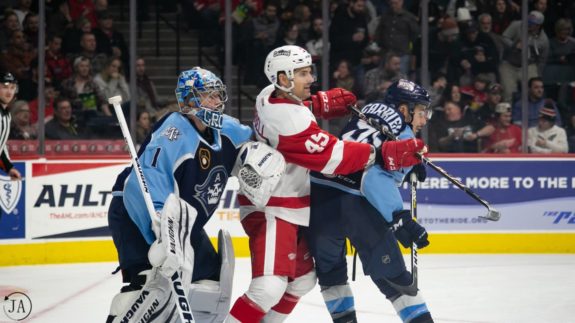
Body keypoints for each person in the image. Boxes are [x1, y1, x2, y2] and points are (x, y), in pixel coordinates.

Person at [227, 45, 427, 322]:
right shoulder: (290, 121)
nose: (311, 79)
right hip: (273, 208)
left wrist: (317, 103)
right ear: (283, 79)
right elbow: (334, 156)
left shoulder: (267, 95)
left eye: (310, 71)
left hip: (295, 204)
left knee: (303, 281)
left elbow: (293, 106)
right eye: (303, 73)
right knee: (268, 288)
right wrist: (381, 154)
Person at [106, 67, 283, 323]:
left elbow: (256, 141)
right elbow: (142, 182)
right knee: (147, 290)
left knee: (209, 283)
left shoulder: (228, 129)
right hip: (136, 213)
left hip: (181, 220)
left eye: (217, 95)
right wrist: (158, 231)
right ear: (188, 100)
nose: (215, 102)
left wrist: (263, 157)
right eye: (207, 96)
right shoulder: (173, 132)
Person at [306, 79, 434, 323]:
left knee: (331, 275)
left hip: (320, 198)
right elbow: (373, 178)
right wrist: (399, 218)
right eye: (421, 112)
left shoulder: (365, 112)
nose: (424, 119)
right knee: (395, 280)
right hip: (355, 207)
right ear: (404, 110)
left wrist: (408, 168)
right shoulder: (404, 133)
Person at [0, 72, 22, 180]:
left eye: (12, 88)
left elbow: (1, 143)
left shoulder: (6, 114)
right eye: (5, 87)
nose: (9, 92)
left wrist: (9, 167)